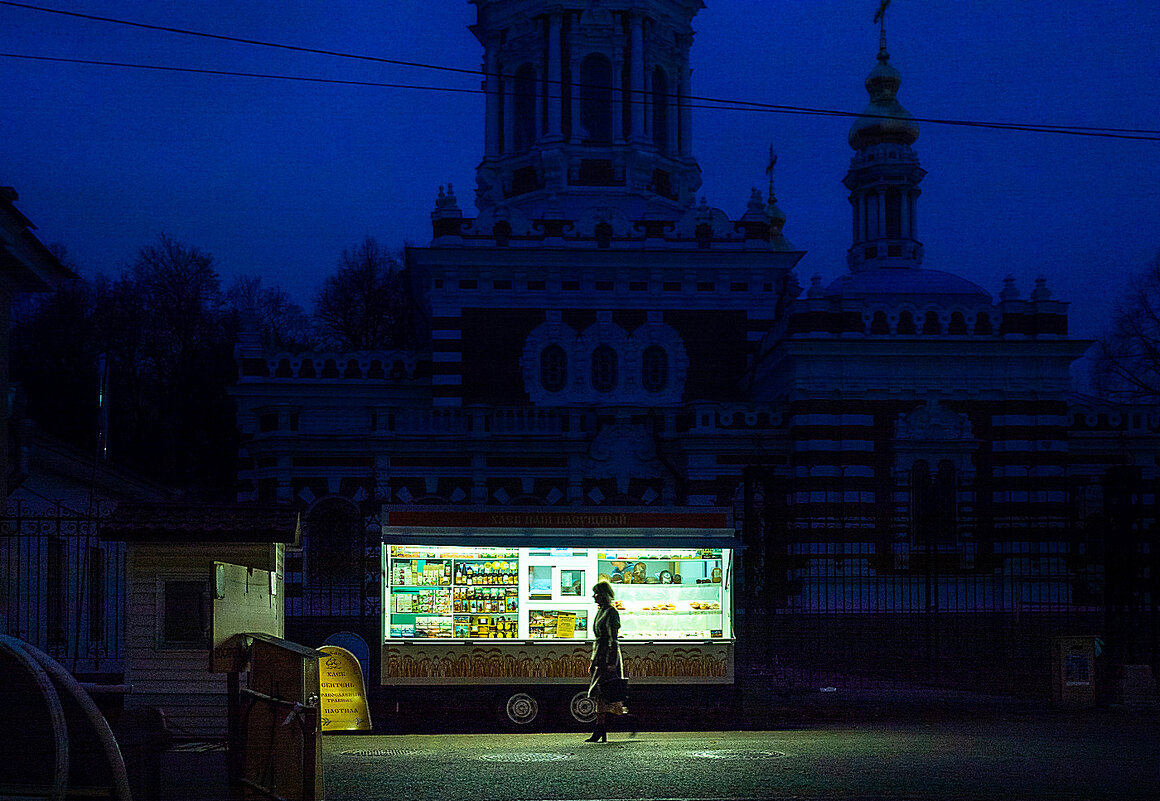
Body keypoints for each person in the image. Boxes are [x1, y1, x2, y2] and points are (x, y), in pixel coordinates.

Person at [586, 580, 626, 742]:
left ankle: (600, 729)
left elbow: (612, 640)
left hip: (607, 658)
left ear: (603, 595)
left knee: (603, 693)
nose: (594, 597)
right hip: (600, 657)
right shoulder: (602, 611)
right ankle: (600, 729)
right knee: (600, 694)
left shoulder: (611, 612)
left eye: (596, 594)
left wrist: (610, 662)